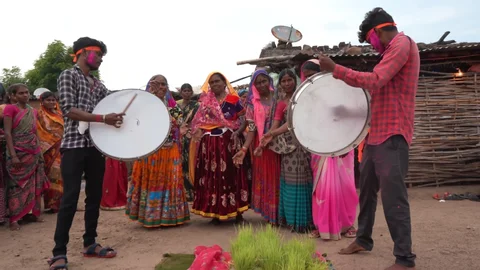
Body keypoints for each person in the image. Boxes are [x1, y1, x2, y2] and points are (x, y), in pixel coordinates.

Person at [318, 7, 419, 270]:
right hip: (378, 135)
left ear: (378, 31)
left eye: (369, 39)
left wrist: (336, 69)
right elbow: (377, 97)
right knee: (367, 192)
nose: (370, 45)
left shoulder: (402, 44)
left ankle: (405, 259)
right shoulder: (389, 52)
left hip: (393, 134)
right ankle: (363, 239)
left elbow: (375, 80)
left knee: (393, 197)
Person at [49, 37, 124, 270]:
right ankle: (58, 252)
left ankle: (90, 243)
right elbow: (69, 110)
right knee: (70, 198)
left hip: (95, 147)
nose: (101, 58)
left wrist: (144, 93)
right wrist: (103, 119)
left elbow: (113, 99)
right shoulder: (68, 75)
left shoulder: (97, 84)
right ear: (83, 53)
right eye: (98, 54)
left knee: (94, 197)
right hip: (73, 145)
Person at [126, 74, 190, 228]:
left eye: (164, 84)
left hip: (170, 148)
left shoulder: (172, 105)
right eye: (158, 84)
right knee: (153, 181)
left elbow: (179, 121)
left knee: (171, 182)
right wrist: (151, 97)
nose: (162, 87)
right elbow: (139, 120)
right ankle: (151, 215)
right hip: (151, 150)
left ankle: (170, 215)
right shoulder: (145, 104)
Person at [258, 69, 314, 233]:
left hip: (305, 143)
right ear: (279, 84)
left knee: (304, 179)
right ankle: (291, 220)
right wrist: (269, 135)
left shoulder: (303, 98)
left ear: (295, 81)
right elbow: (277, 124)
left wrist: (273, 133)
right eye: (284, 81)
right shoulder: (281, 103)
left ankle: (305, 221)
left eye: (290, 80)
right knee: (290, 181)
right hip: (288, 147)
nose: (287, 83)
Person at [190, 72, 250, 225]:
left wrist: (237, 132)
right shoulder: (206, 103)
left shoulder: (233, 100)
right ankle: (215, 212)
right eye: (212, 82)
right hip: (210, 145)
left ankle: (238, 212)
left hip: (230, 142)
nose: (215, 84)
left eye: (217, 81)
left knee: (232, 175)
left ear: (224, 83)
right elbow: (199, 123)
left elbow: (244, 120)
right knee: (212, 177)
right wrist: (198, 131)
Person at [233, 70, 281, 225]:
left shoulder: (279, 99)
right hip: (261, 148)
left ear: (269, 81)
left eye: (263, 81)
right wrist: (244, 149)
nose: (261, 85)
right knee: (266, 179)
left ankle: (281, 213)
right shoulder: (252, 105)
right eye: (257, 83)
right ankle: (270, 215)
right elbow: (252, 129)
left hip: (280, 146)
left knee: (280, 179)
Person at [3, 84, 50, 231]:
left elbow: (34, 132)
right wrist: (13, 155)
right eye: (21, 93)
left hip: (33, 152)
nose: (25, 95)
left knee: (34, 184)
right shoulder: (10, 109)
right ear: (13, 96)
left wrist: (39, 152)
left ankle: (32, 214)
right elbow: (8, 133)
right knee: (16, 186)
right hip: (17, 151)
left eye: (27, 92)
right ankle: (14, 218)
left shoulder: (33, 111)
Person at [37, 91, 65, 213]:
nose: (52, 102)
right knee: (53, 174)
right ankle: (52, 204)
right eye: (48, 100)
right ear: (42, 101)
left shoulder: (60, 113)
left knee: (65, 174)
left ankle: (64, 202)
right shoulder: (39, 114)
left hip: (64, 148)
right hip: (50, 149)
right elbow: (40, 131)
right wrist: (55, 139)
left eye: (53, 100)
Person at [177, 83, 200, 202]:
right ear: (181, 93)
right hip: (179, 137)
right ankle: (184, 192)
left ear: (191, 93)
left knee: (191, 161)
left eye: (188, 91)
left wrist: (191, 130)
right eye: (184, 91)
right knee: (181, 162)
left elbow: (199, 121)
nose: (186, 93)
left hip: (191, 136)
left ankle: (193, 190)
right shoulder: (177, 106)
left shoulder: (196, 105)